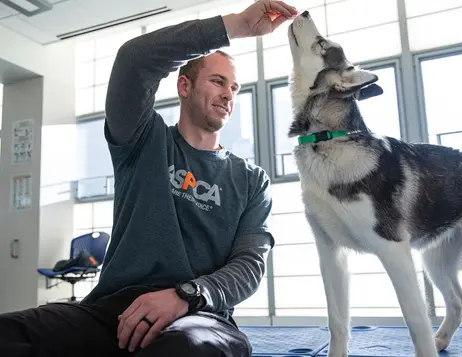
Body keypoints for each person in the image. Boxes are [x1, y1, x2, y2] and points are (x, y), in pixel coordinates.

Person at [0, 1, 298, 356]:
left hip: (197, 314)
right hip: (110, 311)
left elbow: (249, 266)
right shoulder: (142, 138)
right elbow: (134, 61)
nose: (228, 95)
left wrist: (185, 295)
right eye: (217, 81)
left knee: (184, 348)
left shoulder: (251, 181)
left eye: (233, 88)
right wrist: (236, 26)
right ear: (184, 86)